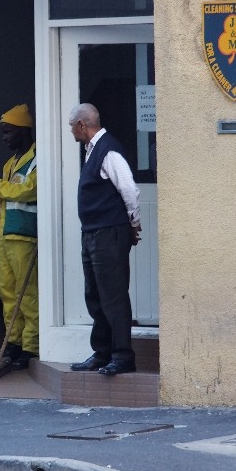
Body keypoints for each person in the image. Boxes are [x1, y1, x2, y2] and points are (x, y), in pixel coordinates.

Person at [67, 103, 141, 376]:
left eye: (72, 127)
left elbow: (130, 190)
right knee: (95, 295)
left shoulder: (108, 150)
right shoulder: (92, 150)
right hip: (94, 233)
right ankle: (103, 352)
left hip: (109, 233)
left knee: (113, 296)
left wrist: (134, 224)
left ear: (82, 125)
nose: (72, 132)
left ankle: (123, 356)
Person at [0, 103, 38, 374]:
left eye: (9, 132)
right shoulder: (10, 163)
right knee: (8, 294)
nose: (5, 138)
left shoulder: (38, 158)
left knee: (28, 294)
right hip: (3, 234)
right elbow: (8, 195)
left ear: (24, 130)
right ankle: (12, 342)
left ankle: (31, 345)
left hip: (25, 236)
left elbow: (29, 191)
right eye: (3, 133)